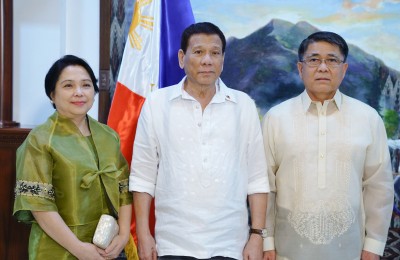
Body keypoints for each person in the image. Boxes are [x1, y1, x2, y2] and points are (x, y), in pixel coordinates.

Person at [129, 22, 270, 260]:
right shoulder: (156, 104)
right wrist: (144, 235)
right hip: (172, 244)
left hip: (230, 245)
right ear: (182, 58)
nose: (207, 60)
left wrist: (257, 235)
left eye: (215, 53)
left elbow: (256, 179)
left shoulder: (243, 105)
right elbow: (143, 177)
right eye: (198, 52)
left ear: (223, 60)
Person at [262, 31, 394, 260]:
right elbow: (266, 186)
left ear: (344, 69)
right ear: (300, 69)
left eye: (332, 60)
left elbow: (378, 187)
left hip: (350, 251)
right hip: (286, 251)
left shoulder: (368, 119)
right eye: (314, 60)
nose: (323, 67)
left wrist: (373, 245)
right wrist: (267, 242)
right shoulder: (276, 118)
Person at [13, 55, 133, 259]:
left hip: (107, 245)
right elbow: (38, 205)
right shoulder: (40, 140)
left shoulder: (108, 135)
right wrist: (79, 249)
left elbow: (123, 189)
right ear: (52, 94)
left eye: (86, 85)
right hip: (57, 248)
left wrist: (122, 235)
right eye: (68, 86)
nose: (79, 92)